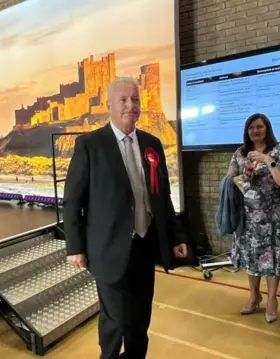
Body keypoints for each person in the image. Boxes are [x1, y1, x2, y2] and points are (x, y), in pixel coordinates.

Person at [63, 77, 188, 359]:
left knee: (139, 320)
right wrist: (75, 246)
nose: (131, 106)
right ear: (108, 106)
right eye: (123, 100)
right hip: (107, 249)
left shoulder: (152, 144)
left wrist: (177, 235)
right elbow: (72, 201)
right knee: (115, 321)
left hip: (144, 247)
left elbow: (162, 197)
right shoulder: (90, 145)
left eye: (135, 100)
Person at [227, 113, 280, 323]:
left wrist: (267, 160)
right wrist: (238, 178)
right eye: (251, 128)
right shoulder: (240, 152)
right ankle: (254, 295)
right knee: (251, 256)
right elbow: (230, 177)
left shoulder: (279, 150)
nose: (256, 131)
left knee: (271, 257)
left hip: (273, 216)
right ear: (247, 132)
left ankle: (272, 298)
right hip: (248, 216)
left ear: (267, 128)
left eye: (260, 127)